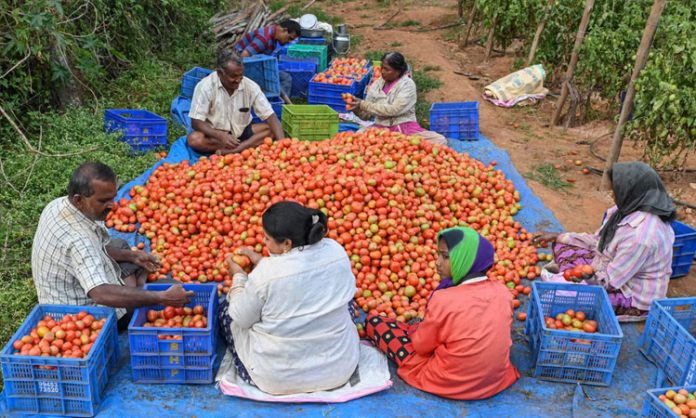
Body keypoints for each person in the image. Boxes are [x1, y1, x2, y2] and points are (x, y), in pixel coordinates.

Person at [219, 201, 360, 395]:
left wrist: (239, 277)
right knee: (346, 303)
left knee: (228, 311)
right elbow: (299, 276)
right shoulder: (335, 251)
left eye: (267, 238)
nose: (264, 241)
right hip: (338, 370)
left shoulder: (266, 274)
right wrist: (262, 264)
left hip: (276, 378)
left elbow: (241, 318)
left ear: (287, 243)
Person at [31, 162, 194, 329]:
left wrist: (133, 256)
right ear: (79, 200)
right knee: (166, 286)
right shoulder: (79, 241)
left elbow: (97, 246)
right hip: (80, 316)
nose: (112, 205)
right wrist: (161, 297)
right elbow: (100, 294)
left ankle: (137, 280)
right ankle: (138, 284)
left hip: (71, 282)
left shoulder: (58, 205)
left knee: (121, 245)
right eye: (103, 200)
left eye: (113, 197)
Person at [365, 227, 519, 400]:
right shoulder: (503, 291)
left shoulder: (444, 299)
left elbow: (421, 347)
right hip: (494, 380)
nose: (437, 262)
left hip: (451, 382)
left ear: (465, 260)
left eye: (445, 256)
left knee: (376, 323)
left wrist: (417, 328)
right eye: (439, 255)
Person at [534, 161, 676, 318]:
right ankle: (563, 280)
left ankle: (562, 282)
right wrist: (559, 236)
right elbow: (597, 240)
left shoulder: (641, 238)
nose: (613, 195)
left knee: (557, 297)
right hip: (608, 266)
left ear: (630, 192)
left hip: (629, 293)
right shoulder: (626, 209)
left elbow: (610, 281)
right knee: (562, 244)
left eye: (616, 190)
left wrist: (584, 276)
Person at [187, 49, 284, 155]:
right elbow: (196, 122)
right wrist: (221, 135)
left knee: (271, 130)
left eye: (240, 76)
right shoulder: (205, 87)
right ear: (220, 73)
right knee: (194, 140)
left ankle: (236, 149)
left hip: (243, 131)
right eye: (233, 76)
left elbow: (271, 117)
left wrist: (283, 146)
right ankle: (247, 145)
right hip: (215, 135)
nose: (238, 80)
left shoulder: (250, 87)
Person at [346, 52, 448, 146]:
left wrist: (363, 104)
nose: (382, 72)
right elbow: (366, 115)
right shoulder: (377, 84)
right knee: (357, 138)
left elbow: (394, 110)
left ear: (398, 71)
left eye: (387, 69)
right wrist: (356, 108)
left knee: (439, 140)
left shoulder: (407, 84)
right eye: (382, 68)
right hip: (381, 129)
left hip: (405, 128)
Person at [235, 20, 301, 104]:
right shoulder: (264, 38)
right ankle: (281, 105)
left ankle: (282, 105)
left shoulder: (273, 36)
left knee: (284, 78)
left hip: (256, 65)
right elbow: (243, 57)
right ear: (284, 30)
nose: (289, 42)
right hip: (242, 66)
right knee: (275, 78)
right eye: (290, 38)